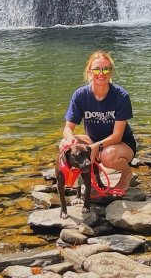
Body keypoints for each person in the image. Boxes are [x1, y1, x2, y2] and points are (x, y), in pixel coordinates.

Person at [61, 50, 137, 194]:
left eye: (106, 69)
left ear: (111, 72)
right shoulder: (80, 95)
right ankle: (90, 178)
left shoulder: (121, 96)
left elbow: (117, 136)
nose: (101, 73)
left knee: (107, 155)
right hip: (92, 140)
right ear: (89, 72)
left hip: (121, 144)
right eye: (96, 69)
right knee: (64, 145)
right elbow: (67, 128)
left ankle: (127, 173)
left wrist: (97, 146)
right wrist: (71, 139)